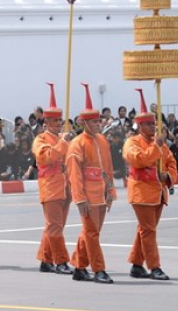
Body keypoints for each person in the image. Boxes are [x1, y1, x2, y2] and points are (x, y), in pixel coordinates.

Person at [122, 89, 177, 281]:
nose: (153, 127)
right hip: (141, 193)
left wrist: (167, 175)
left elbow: (171, 163)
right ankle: (154, 267)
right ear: (139, 126)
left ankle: (137, 265)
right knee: (148, 230)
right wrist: (157, 147)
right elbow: (139, 160)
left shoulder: (158, 144)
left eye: (154, 124)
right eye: (149, 124)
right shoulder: (132, 142)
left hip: (158, 193)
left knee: (145, 229)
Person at [66, 84, 116, 284]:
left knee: (90, 232)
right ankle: (99, 269)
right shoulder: (77, 144)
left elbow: (109, 168)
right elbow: (74, 174)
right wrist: (79, 198)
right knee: (92, 233)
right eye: (94, 122)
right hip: (86, 195)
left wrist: (110, 192)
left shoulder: (102, 140)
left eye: (99, 121)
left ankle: (79, 266)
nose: (98, 124)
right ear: (85, 123)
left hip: (101, 194)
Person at [32, 83, 74, 274]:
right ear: (46, 123)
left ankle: (46, 259)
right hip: (50, 187)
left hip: (65, 187)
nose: (58, 124)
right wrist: (63, 143)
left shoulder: (63, 138)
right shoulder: (40, 139)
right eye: (55, 121)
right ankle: (61, 261)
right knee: (55, 226)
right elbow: (46, 158)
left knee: (55, 226)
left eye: (60, 121)